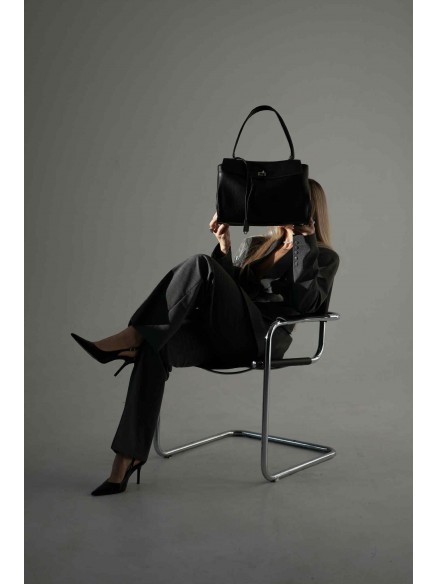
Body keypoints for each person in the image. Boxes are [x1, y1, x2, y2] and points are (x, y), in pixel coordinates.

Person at [71, 178, 339, 496]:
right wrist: (224, 245)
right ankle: (127, 458)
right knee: (156, 347)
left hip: (261, 339)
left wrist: (304, 244)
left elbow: (305, 305)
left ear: (309, 208)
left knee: (200, 265)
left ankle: (133, 335)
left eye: (290, 201)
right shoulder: (258, 244)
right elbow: (232, 289)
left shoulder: (324, 256)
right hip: (221, 334)